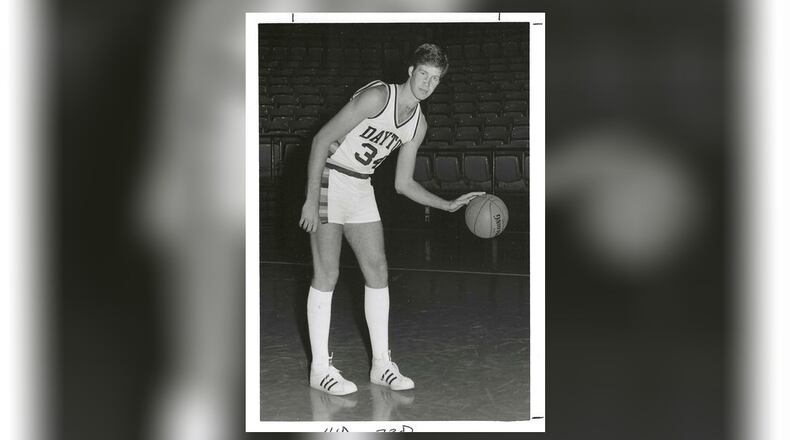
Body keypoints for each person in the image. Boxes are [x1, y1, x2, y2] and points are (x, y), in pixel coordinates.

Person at [299, 43, 483, 396]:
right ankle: (319, 368)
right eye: (424, 75)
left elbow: (402, 183)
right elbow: (322, 140)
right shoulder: (377, 96)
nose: (428, 84)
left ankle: (382, 365)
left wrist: (446, 205)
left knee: (378, 270)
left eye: (436, 79)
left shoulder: (418, 124)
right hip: (331, 176)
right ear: (411, 71)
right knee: (328, 273)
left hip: (360, 185)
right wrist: (310, 200)